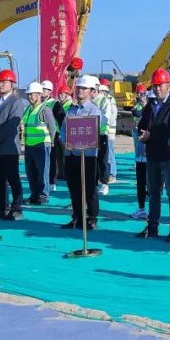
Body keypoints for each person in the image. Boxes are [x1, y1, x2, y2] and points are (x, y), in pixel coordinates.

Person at [136, 69, 170, 241]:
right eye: (155, 86)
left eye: (160, 85)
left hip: (168, 154)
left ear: (168, 85)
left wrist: (152, 135)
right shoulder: (151, 105)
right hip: (152, 154)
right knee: (153, 192)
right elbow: (142, 124)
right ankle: (152, 226)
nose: (157, 89)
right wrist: (142, 134)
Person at [62, 75, 103, 230]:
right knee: (74, 188)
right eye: (78, 87)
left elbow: (94, 133)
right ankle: (77, 216)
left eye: (84, 88)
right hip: (71, 154)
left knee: (89, 188)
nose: (80, 90)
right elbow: (63, 130)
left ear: (91, 92)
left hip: (87, 156)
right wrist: (65, 141)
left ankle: (91, 218)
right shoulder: (71, 110)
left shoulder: (94, 111)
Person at [0, 70, 27, 220]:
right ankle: (2, 207)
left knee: (13, 179)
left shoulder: (16, 102)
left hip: (9, 148)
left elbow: (11, 125)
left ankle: (16, 208)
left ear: (12, 84)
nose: (0, 85)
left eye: (4, 82)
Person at [41, 80, 65, 193]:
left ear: (50, 91)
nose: (42, 91)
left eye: (44, 89)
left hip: (54, 135)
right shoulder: (39, 103)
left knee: (52, 159)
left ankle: (52, 182)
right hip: (41, 136)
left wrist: (61, 136)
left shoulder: (55, 104)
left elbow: (62, 120)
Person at [130, 85, 149, 219]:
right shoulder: (136, 107)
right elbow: (136, 116)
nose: (142, 96)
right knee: (141, 182)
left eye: (144, 93)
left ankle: (152, 211)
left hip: (151, 152)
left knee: (153, 183)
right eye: (140, 94)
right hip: (140, 149)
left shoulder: (151, 107)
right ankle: (141, 208)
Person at [96, 79, 118, 190]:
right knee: (105, 155)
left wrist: (107, 125)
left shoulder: (109, 100)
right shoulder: (101, 100)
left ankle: (112, 174)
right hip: (103, 131)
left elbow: (112, 115)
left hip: (108, 131)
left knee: (109, 154)